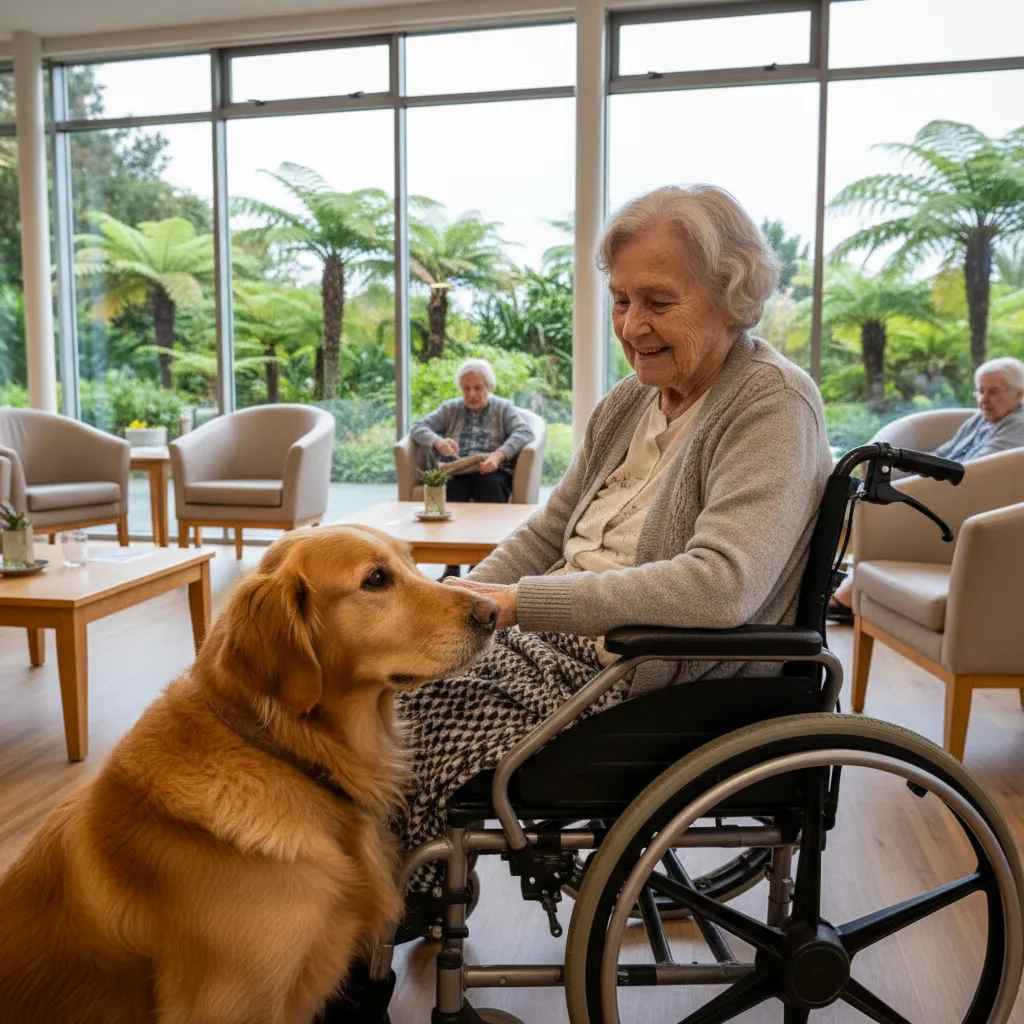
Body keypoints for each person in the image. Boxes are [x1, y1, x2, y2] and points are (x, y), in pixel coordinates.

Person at [391, 184, 833, 900]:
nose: (632, 326)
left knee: (399, 733)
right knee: (365, 698)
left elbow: (720, 585)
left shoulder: (769, 404)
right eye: (622, 300)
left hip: (642, 670)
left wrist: (516, 605)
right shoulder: (632, 398)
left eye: (658, 302)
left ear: (733, 296)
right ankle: (396, 894)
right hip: (558, 644)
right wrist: (458, 600)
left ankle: (375, 923)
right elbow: (546, 531)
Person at [828, 355, 1024, 623]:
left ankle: (848, 588)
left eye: (993, 392)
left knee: (864, 498)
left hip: (963, 500)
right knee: (845, 489)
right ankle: (842, 578)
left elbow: (975, 471)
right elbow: (944, 453)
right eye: (980, 390)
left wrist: (912, 481)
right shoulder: (982, 419)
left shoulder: (1018, 425)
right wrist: (907, 466)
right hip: (938, 488)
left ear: (1019, 394)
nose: (984, 398)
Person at [410, 358, 534, 577]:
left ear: (489, 387)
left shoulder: (503, 408)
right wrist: (439, 442)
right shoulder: (451, 409)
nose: (471, 394)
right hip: (458, 470)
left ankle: (481, 567)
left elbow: (524, 432)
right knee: (453, 490)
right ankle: (452, 566)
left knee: (490, 485)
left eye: (478, 388)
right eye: (466, 388)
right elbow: (419, 427)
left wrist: (498, 455)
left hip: (492, 470)